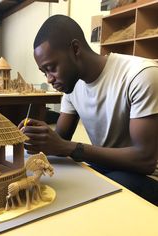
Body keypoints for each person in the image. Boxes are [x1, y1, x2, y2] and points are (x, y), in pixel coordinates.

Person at [19, 15, 158, 205]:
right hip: (106, 167)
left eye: (51, 68)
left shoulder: (141, 75)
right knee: (60, 184)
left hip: (145, 177)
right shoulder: (72, 85)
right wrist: (39, 137)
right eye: (44, 72)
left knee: (87, 199)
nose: (49, 79)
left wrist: (66, 147)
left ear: (75, 49)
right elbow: (60, 141)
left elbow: (145, 161)